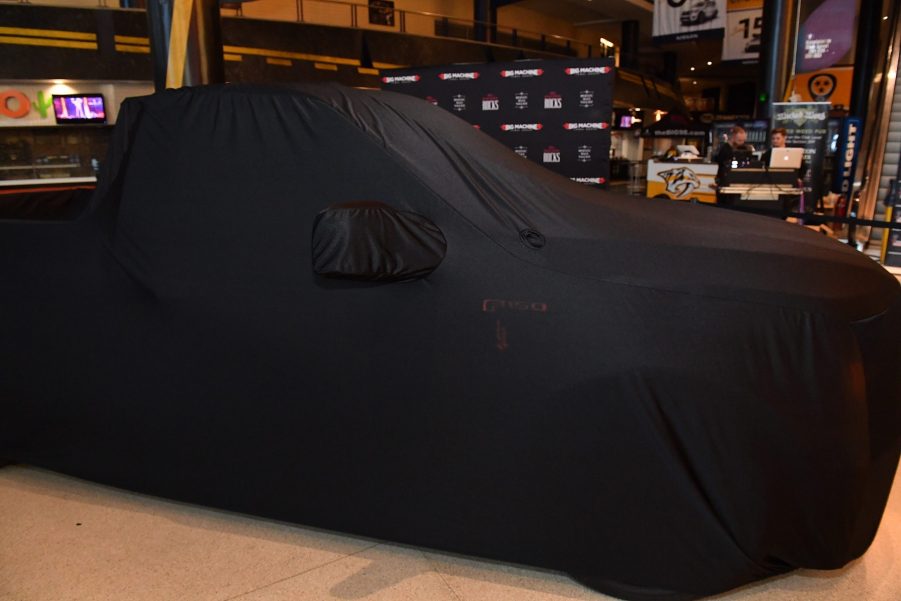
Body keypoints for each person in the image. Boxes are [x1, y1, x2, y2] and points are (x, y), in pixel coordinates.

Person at [713, 126, 754, 205]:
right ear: (732, 137)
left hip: (739, 182)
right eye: (739, 140)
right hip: (725, 182)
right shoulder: (724, 149)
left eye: (743, 140)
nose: (742, 142)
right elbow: (725, 165)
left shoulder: (744, 148)